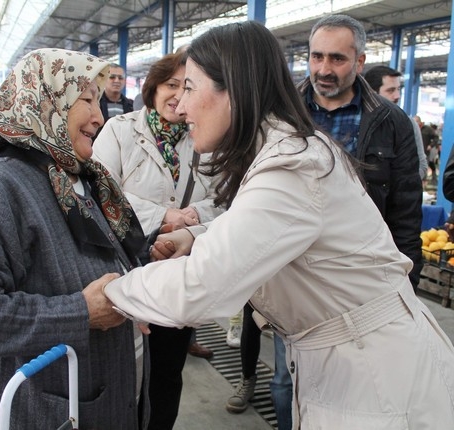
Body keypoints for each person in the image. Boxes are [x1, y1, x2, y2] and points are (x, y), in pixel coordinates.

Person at [98, 20, 454, 429]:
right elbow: (273, 227)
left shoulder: (292, 166)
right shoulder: (285, 149)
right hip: (350, 360)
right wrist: (198, 234)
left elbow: (199, 286)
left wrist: (110, 293)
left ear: (234, 88)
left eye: (191, 88)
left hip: (376, 377)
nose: (181, 106)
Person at [0, 48, 149, 430]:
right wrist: (81, 312)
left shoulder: (80, 177)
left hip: (99, 397)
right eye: (86, 99)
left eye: (98, 99)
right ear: (45, 100)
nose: (99, 115)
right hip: (36, 411)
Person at [93, 51, 223, 430]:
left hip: (178, 270)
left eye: (186, 87)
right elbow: (101, 190)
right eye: (170, 85)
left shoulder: (206, 136)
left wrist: (193, 219)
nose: (177, 96)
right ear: (152, 88)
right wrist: (163, 216)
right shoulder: (120, 130)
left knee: (167, 369)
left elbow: (227, 200)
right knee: (124, 369)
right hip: (126, 267)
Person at [297, 15, 422, 290]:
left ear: (360, 62)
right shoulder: (284, 114)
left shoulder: (391, 121)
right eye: (317, 57)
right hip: (294, 272)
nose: (324, 69)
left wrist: (407, 281)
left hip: (362, 271)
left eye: (337, 59)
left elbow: (406, 211)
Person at [363, 65, 428, 179]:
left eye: (398, 89)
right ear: (371, 93)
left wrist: (399, 186)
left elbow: (421, 165)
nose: (397, 96)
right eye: (390, 90)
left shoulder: (408, 124)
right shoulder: (356, 121)